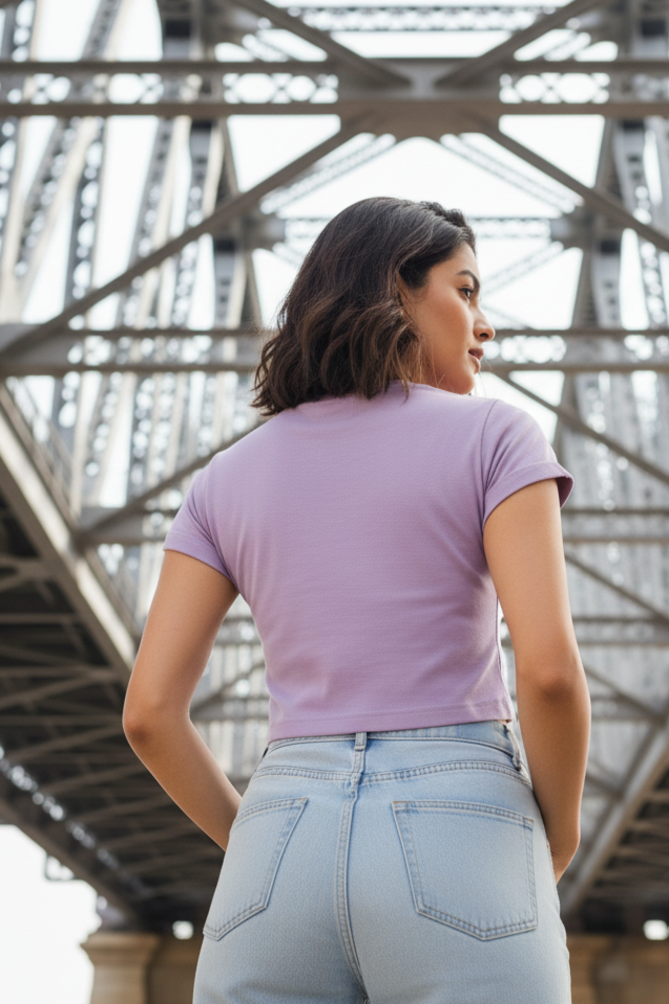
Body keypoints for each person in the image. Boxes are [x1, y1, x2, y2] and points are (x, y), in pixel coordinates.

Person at [123, 196, 591, 1004]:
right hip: (462, 823)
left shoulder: (222, 480)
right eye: (465, 290)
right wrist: (553, 835)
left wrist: (263, 842)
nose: (484, 325)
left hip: (277, 837)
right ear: (396, 290)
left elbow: (148, 715)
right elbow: (548, 673)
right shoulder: (495, 436)